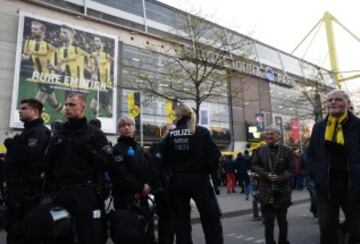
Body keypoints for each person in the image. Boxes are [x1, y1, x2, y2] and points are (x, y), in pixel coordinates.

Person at [46, 93, 111, 244]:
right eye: (66, 104)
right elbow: (49, 163)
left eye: (72, 104)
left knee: (88, 236)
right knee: (60, 236)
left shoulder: (95, 134)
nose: (67, 107)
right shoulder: (59, 134)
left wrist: (90, 152)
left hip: (85, 193)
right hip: (60, 193)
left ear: (83, 106)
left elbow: (107, 163)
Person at [161, 103, 223, 244]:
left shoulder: (170, 135)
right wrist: (210, 172)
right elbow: (214, 156)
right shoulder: (201, 132)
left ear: (177, 116)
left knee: (181, 221)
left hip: (177, 181)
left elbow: (163, 157)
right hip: (200, 179)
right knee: (210, 218)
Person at [307, 89, 360, 244]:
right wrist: (315, 173)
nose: (333, 102)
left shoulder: (357, 126)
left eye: (338, 99)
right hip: (326, 186)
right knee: (326, 227)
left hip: (353, 186)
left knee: (357, 229)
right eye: (329, 100)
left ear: (348, 103)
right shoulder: (319, 127)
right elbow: (311, 154)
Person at [3, 98, 51, 243]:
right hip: (16, 188)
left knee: (23, 230)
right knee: (13, 227)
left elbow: (30, 156)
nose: (20, 111)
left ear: (35, 111)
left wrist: (10, 143)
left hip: (27, 190)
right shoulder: (28, 131)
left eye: (24, 108)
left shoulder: (39, 131)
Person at [110, 114, 156, 243]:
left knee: (146, 232)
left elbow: (149, 170)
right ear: (119, 129)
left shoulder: (140, 148)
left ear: (134, 128)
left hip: (143, 197)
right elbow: (122, 174)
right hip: (125, 198)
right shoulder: (117, 150)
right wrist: (141, 187)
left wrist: (148, 185)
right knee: (128, 234)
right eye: (123, 125)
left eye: (129, 125)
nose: (126, 128)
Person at [252, 125, 294, 244]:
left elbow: (292, 169)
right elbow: (254, 166)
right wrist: (265, 174)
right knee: (268, 221)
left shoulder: (287, 151)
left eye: (272, 134)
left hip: (282, 191)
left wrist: (280, 177)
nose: (269, 136)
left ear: (278, 136)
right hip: (266, 191)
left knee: (282, 220)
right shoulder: (259, 150)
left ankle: (283, 241)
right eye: (267, 134)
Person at [22, 20, 62, 112]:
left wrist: (56, 67)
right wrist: (22, 57)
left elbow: (62, 57)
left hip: (49, 77)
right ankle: (72, 118)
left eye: (35, 29)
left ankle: (38, 122)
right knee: (54, 103)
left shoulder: (50, 44)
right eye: (32, 28)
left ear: (42, 31)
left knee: (37, 103)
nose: (32, 31)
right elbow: (27, 56)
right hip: (38, 77)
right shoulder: (28, 42)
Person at [149, 123, 176, 244]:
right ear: (164, 132)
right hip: (163, 190)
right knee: (165, 219)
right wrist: (159, 188)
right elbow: (154, 169)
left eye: (174, 131)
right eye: (169, 130)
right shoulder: (158, 146)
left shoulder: (175, 148)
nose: (172, 133)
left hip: (174, 189)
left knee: (171, 221)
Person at [89, 36, 113, 117]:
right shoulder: (92, 56)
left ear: (102, 43)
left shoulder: (107, 56)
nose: (95, 42)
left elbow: (107, 68)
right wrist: (93, 74)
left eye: (98, 41)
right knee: (107, 110)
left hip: (106, 86)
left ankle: (103, 119)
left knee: (93, 106)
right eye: (94, 41)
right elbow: (92, 70)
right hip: (100, 86)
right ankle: (104, 119)